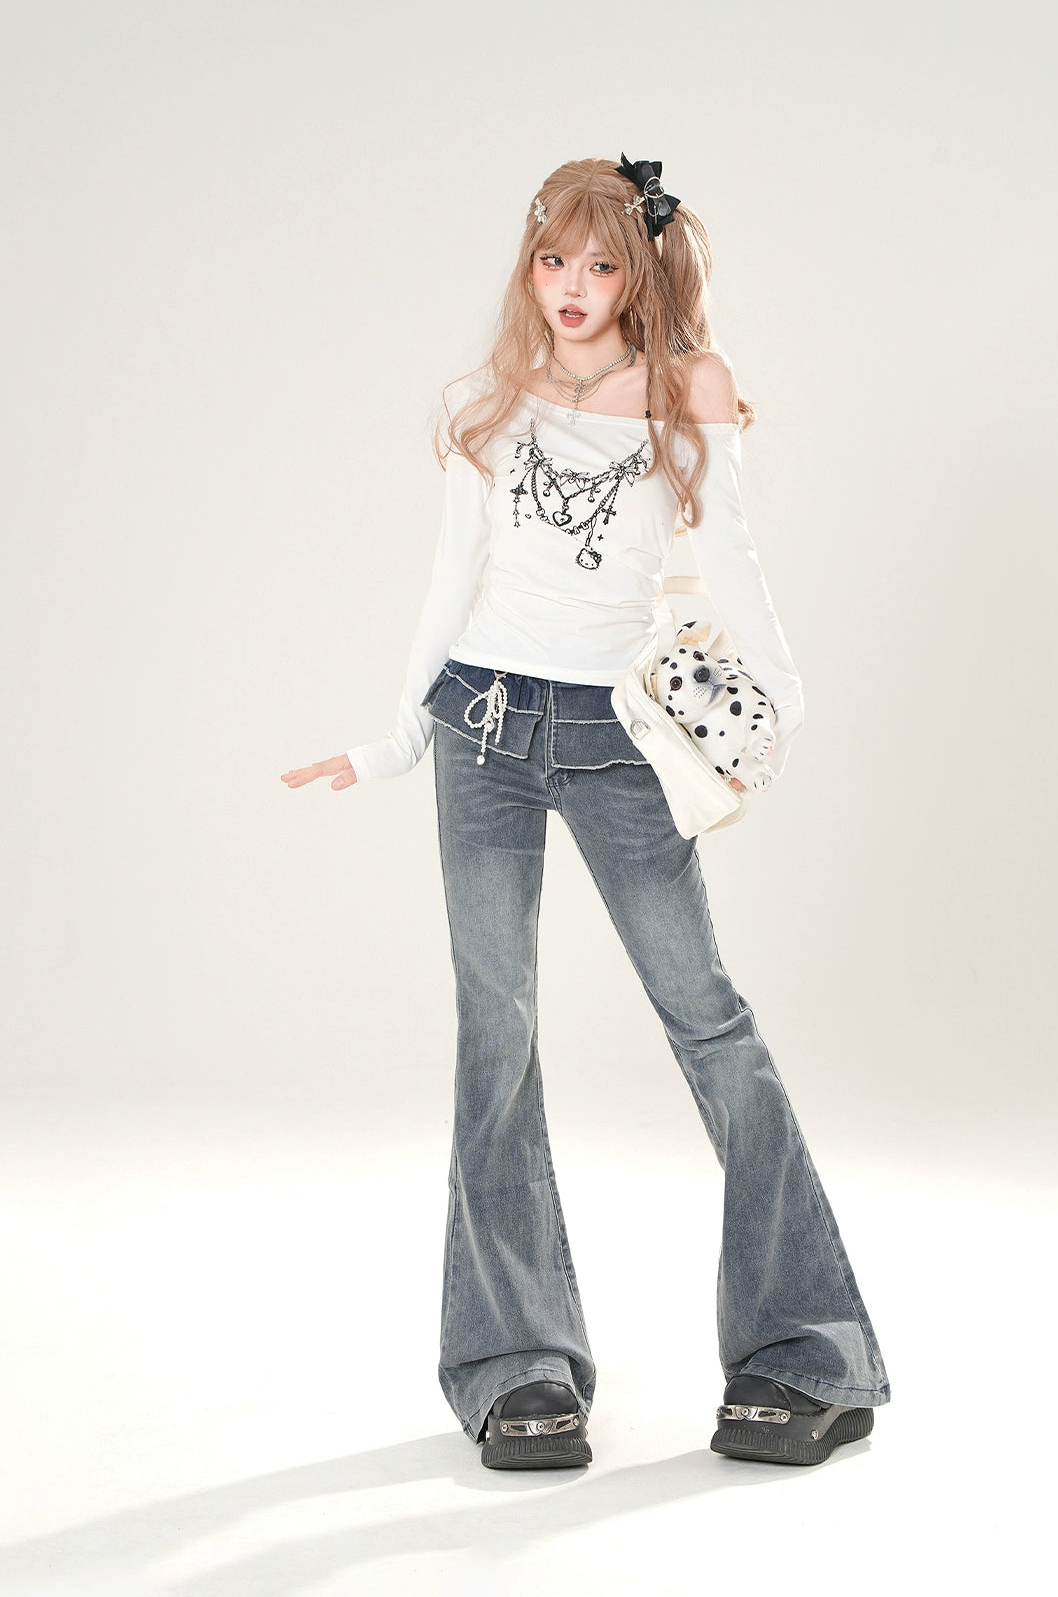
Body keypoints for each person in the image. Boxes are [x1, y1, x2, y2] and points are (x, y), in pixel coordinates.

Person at [282, 155, 891, 1472]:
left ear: (641, 275)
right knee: (494, 1031)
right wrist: (396, 738)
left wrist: (781, 703)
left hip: (619, 738)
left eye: (602, 263)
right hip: (483, 728)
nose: (572, 286)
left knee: (706, 1016)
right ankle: (516, 1363)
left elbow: (731, 553)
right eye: (553, 259)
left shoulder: (686, 391)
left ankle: (808, 1353)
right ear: (530, 265)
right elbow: (452, 579)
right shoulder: (485, 404)